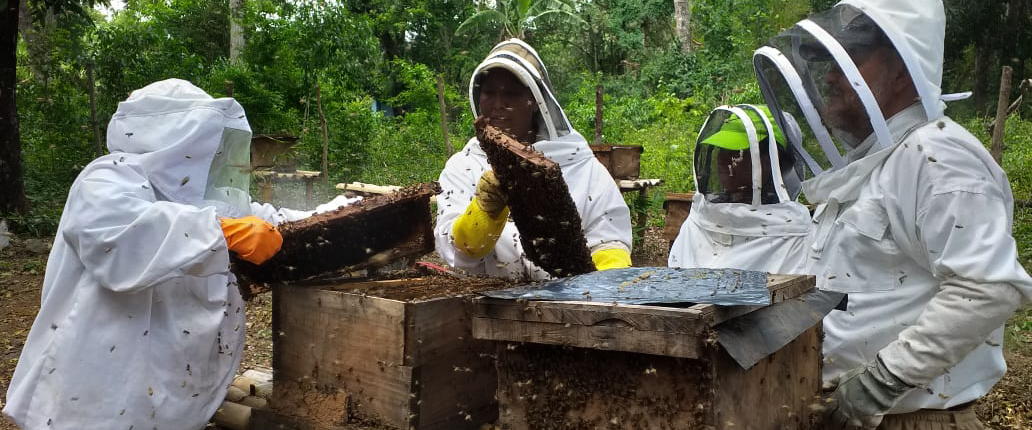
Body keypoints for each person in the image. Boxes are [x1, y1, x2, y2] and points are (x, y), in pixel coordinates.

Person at [2, 79, 356, 430]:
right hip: (102, 369)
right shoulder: (109, 177)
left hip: (170, 362)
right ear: (173, 136)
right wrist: (221, 232)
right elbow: (113, 234)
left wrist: (350, 209)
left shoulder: (205, 197)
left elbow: (273, 221)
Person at [753, 1, 1032, 429]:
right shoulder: (875, 162)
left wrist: (880, 383)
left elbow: (987, 288)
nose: (829, 77)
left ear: (902, 71)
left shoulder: (939, 158)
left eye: (851, 61)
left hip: (914, 418)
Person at [435, 39, 632, 279]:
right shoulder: (464, 165)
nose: (498, 104)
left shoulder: (579, 162)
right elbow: (454, 250)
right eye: (489, 92)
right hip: (488, 306)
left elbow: (609, 237)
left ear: (535, 102)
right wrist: (484, 211)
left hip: (568, 307)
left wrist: (608, 274)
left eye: (511, 93)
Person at [668, 104, 811, 274]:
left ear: (773, 160)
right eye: (722, 150)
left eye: (739, 152)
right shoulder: (702, 215)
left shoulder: (796, 235)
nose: (725, 160)